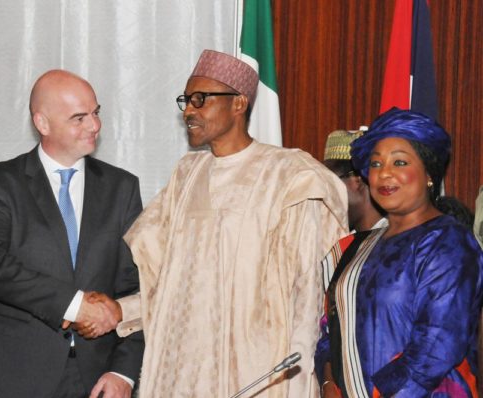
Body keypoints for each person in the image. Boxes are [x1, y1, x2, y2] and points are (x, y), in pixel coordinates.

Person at [123, 50, 348, 397]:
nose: (188, 111)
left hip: (259, 370)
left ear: (239, 103)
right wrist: (114, 310)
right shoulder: (186, 174)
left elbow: (307, 293)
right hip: (185, 372)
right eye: (186, 100)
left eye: (200, 100)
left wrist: (300, 377)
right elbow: (160, 279)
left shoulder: (289, 176)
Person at [0, 70, 144, 398]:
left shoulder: (122, 188)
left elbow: (137, 289)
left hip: (97, 380)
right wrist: (74, 305)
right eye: (79, 117)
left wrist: (124, 371)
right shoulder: (1, 181)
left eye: (96, 112)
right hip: (16, 378)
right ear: (43, 123)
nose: (94, 125)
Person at [317, 108, 483, 398]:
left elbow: (435, 347)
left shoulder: (448, 242)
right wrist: (329, 383)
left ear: (429, 173)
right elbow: (330, 329)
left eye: (400, 162)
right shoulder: (358, 246)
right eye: (376, 164)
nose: (385, 173)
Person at [322, 129, 386, 232]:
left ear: (358, 179)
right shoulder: (344, 243)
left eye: (330, 184)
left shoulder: (396, 242)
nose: (326, 196)